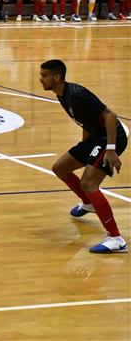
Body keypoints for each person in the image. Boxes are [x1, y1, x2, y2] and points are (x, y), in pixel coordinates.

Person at [40, 60, 128, 254]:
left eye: (44, 75)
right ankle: (88, 203)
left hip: (110, 138)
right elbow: (87, 122)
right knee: (60, 168)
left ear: (57, 77)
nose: (40, 79)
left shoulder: (76, 95)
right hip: (96, 137)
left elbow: (110, 116)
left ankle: (116, 239)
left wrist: (111, 150)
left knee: (89, 183)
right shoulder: (61, 95)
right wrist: (83, 147)